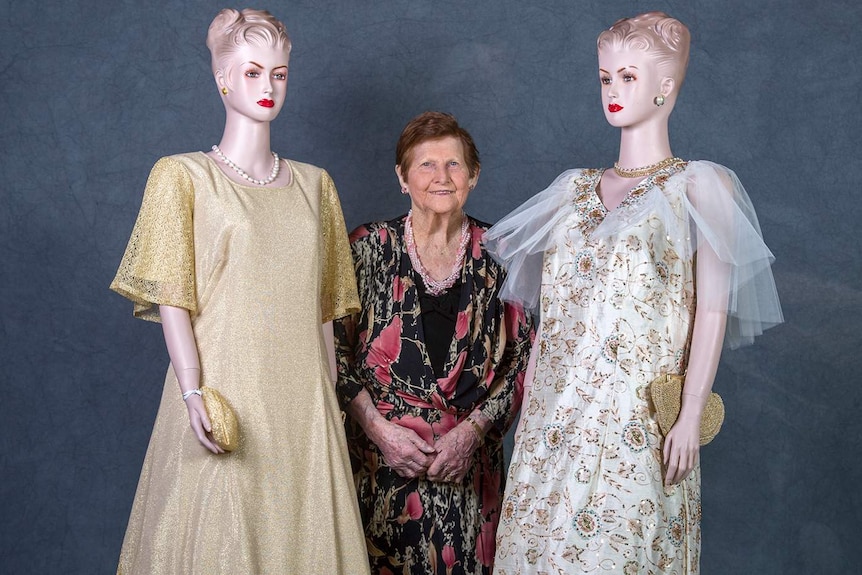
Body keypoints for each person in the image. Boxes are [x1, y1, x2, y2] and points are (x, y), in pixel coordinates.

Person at [483, 12, 783, 574]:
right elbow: (554, 315)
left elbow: (713, 308)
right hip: (554, 416)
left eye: (628, 77)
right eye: (605, 78)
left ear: (666, 86)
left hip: (637, 419)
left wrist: (691, 410)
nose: (613, 91)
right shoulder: (568, 191)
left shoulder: (698, 186)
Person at [109, 8, 369, 574]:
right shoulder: (181, 176)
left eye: (278, 74)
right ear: (222, 78)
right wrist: (192, 391)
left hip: (302, 402)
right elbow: (173, 295)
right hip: (226, 390)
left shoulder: (315, 185)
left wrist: (329, 393)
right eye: (252, 72)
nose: (268, 86)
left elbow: (322, 304)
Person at [334, 111, 534, 574]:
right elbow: (334, 354)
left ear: (474, 175)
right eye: (426, 165)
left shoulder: (502, 255)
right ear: (402, 178)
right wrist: (380, 432)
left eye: (454, 165)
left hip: (469, 477)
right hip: (380, 472)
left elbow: (523, 358)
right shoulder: (366, 248)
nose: (441, 177)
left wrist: (473, 432)